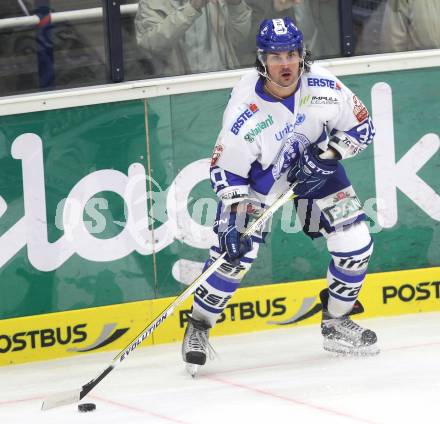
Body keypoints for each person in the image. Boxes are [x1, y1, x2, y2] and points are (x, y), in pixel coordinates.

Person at [181, 17, 378, 376]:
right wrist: (238, 212)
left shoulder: (324, 84)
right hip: (258, 184)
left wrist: (327, 157)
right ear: (262, 60)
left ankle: (336, 322)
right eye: (275, 56)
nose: (285, 64)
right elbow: (225, 171)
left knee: (357, 245)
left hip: (317, 170)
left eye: (291, 54)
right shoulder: (244, 112)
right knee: (234, 256)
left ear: (303, 55)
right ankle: (198, 324)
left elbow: (363, 128)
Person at [134, 0, 252, 77]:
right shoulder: (151, 3)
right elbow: (151, 44)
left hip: (223, 83)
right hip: (177, 92)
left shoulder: (218, 2)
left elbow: (239, 38)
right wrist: (191, 8)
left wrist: (236, 4)